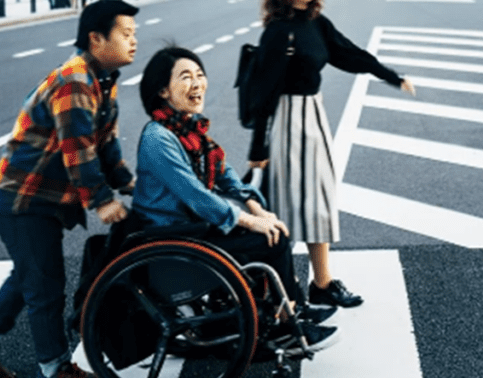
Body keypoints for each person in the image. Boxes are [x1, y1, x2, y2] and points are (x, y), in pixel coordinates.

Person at [0, 0, 139, 378]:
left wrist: (127, 182)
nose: (133, 41)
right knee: (44, 283)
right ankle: (52, 370)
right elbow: (78, 151)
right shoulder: (74, 81)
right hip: (24, 199)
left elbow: (104, 144)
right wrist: (102, 199)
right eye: (126, 33)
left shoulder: (102, 78)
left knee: (29, 276)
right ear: (96, 37)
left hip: (43, 198)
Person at [133, 46, 339, 353]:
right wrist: (250, 220)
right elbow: (197, 196)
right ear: (163, 90)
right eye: (186, 77)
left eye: (200, 75)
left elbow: (228, 177)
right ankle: (287, 324)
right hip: (172, 238)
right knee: (269, 240)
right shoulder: (158, 137)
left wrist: (259, 210)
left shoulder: (192, 130)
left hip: (194, 230)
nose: (197, 84)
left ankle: (291, 309)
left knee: (272, 229)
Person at [247, 0, 416, 308]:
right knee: (287, 208)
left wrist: (391, 76)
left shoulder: (316, 23)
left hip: (314, 119)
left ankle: (321, 284)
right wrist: (257, 151)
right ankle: (281, 296)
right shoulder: (278, 33)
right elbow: (264, 92)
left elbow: (349, 54)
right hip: (288, 122)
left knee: (320, 201)